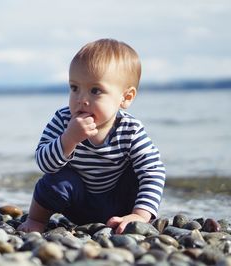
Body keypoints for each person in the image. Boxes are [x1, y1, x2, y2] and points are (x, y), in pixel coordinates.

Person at [18, 39, 166, 234]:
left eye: (95, 90)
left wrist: (140, 215)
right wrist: (68, 139)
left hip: (119, 207)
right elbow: (44, 163)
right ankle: (36, 219)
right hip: (77, 204)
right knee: (56, 179)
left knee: (139, 172)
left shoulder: (130, 129)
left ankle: (133, 217)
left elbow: (153, 171)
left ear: (126, 97)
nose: (81, 99)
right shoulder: (63, 120)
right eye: (74, 88)